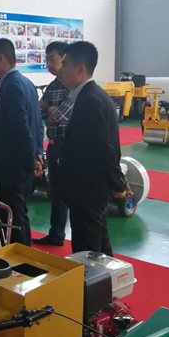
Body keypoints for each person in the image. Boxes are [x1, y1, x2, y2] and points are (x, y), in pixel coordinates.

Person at [57, 41, 130, 256]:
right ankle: (107, 277)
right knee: (99, 242)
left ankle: (92, 279)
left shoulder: (90, 100)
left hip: (87, 188)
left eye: (65, 64)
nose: (60, 70)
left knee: (87, 249)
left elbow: (103, 148)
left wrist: (118, 183)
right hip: (88, 187)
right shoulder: (91, 95)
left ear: (80, 69)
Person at [0, 38, 43, 245]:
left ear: (1, 59)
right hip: (22, 164)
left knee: (13, 218)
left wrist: (31, 161)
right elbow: (38, 124)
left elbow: (22, 129)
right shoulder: (25, 83)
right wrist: (37, 154)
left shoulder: (12, 87)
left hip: (13, 167)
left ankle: (20, 256)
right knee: (17, 214)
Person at [33, 41, 70, 246]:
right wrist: (49, 110)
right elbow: (40, 111)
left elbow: (59, 115)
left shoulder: (72, 86)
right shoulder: (53, 86)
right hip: (54, 145)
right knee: (56, 192)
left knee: (71, 193)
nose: (48, 64)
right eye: (46, 59)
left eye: (52, 59)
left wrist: (49, 110)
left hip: (70, 147)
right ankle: (56, 234)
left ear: (64, 59)